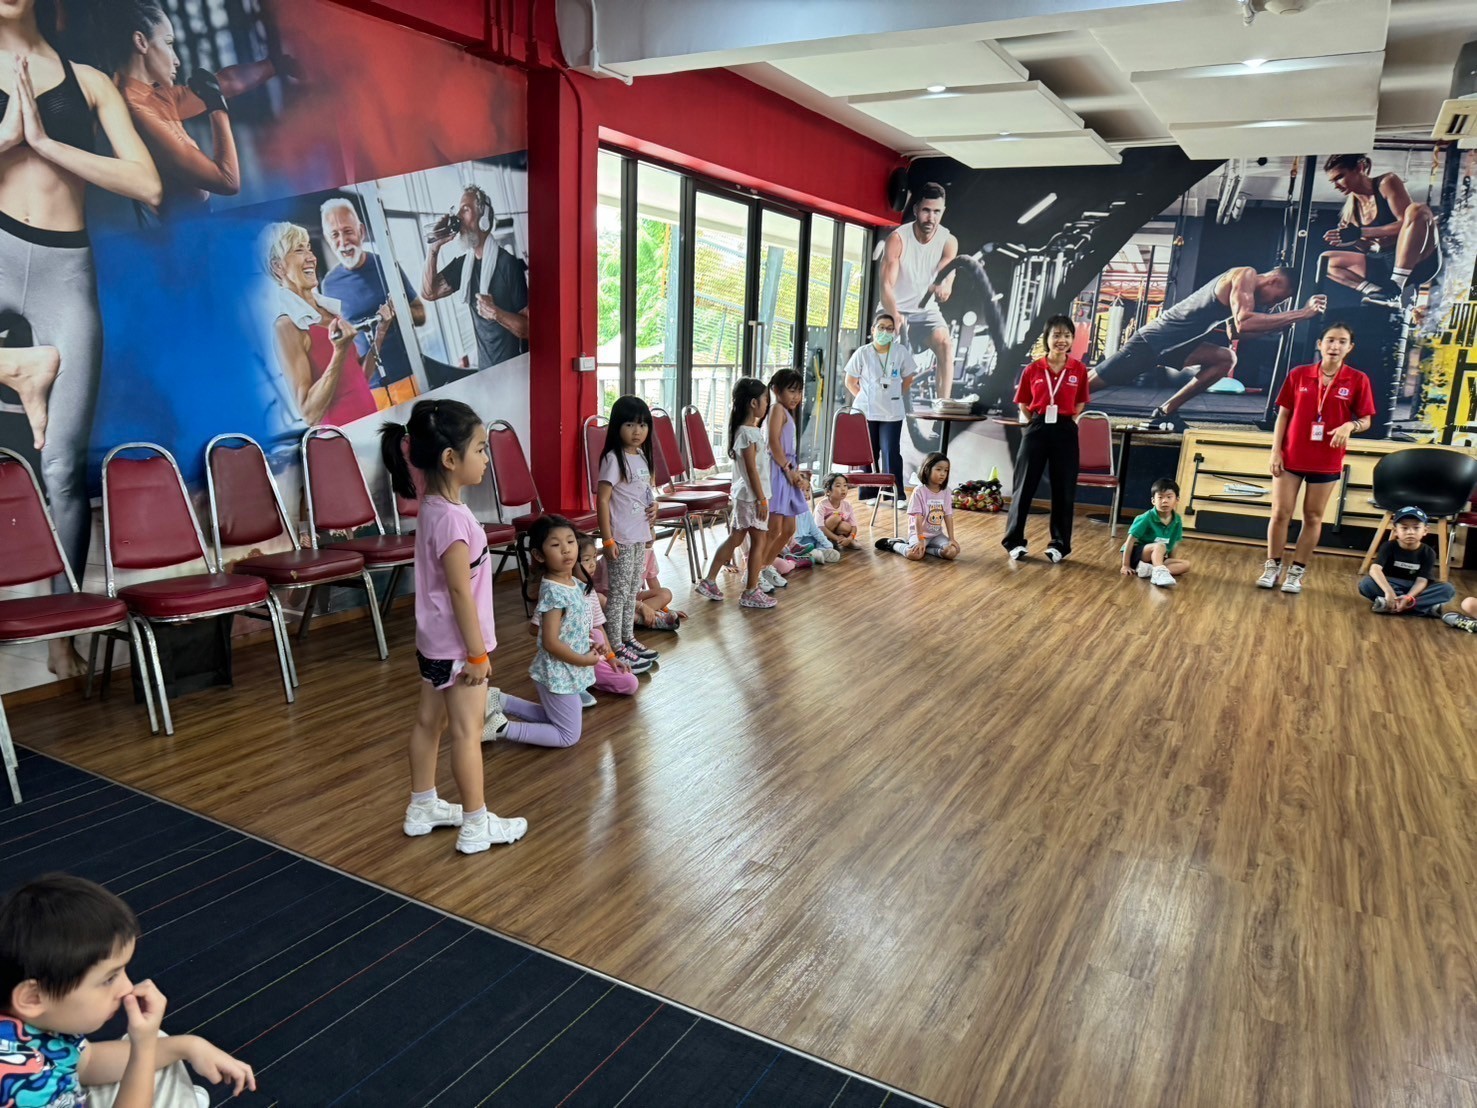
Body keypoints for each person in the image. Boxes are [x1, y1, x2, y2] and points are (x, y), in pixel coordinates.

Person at [0, 0, 162, 678]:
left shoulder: (88, 81)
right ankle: (16, 366)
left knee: (63, 469)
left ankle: (62, 633)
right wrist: (8, 134)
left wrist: (47, 144)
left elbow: (148, 183)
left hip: (65, 270)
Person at [381, 399, 527, 854]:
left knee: (429, 723)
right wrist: (477, 653)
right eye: (480, 449)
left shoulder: (432, 507)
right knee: (467, 732)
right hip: (459, 649)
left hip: (434, 644)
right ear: (450, 458)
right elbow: (461, 592)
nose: (487, 458)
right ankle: (475, 824)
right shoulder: (453, 519)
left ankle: (422, 806)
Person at [0, 873, 255, 1107]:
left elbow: (87, 1063)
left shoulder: (42, 1019)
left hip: (66, 1092)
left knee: (160, 1045)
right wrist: (143, 1048)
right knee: (147, 1053)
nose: (126, 988)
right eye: (109, 979)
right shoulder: (21, 1083)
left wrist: (188, 1046)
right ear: (33, 998)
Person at [99, 1, 285, 220]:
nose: (176, 60)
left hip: (197, 222)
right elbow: (227, 181)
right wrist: (217, 109)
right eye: (168, 43)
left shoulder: (152, 97)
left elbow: (227, 81)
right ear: (141, 42)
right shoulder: (137, 111)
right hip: (182, 230)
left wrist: (279, 64)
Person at [1087, 265, 1326, 431]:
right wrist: (1301, 313)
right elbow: (1244, 321)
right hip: (1156, 339)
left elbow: (1236, 332)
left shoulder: (1245, 294)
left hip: (1179, 345)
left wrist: (1280, 324)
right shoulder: (1246, 274)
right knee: (1093, 384)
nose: (1274, 304)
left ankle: (1166, 411)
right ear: (1274, 281)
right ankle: (1063, 401)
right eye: (1278, 298)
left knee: (1226, 358)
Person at [1257, 321, 1374, 593]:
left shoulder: (1358, 379)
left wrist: (1350, 425)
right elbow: (1283, 415)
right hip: (1291, 456)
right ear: (1320, 344)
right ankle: (1272, 566)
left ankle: (1296, 572)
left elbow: (1366, 420)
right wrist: (1275, 451)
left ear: (1350, 347)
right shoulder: (1299, 374)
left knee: (1313, 516)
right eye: (1330, 340)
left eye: (1342, 341)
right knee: (1280, 512)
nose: (1335, 346)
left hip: (1327, 459)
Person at [486, 515, 600, 747]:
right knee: (568, 736)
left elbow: (570, 628)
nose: (566, 549)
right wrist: (582, 660)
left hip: (567, 670)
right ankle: (500, 728)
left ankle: (498, 700)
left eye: (571, 541)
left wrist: (588, 644)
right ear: (539, 555)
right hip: (558, 673)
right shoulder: (555, 592)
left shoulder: (573, 583)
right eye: (556, 545)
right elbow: (550, 641)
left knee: (557, 719)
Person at [263, 221, 374, 427]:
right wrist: (339, 352)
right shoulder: (286, 326)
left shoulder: (330, 312)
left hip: (372, 420)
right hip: (342, 437)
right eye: (299, 250)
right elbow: (309, 413)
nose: (311, 258)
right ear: (278, 266)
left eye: (309, 248)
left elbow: (359, 378)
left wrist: (381, 332)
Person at [320, 197, 427, 410]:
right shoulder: (328, 285)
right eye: (335, 235)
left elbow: (420, 315)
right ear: (327, 239)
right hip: (368, 388)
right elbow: (339, 346)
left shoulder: (386, 265)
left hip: (410, 374)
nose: (343, 241)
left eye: (348, 231)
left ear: (361, 231)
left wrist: (398, 311)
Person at [1002, 315, 1092, 563]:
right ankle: (1014, 542)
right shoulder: (1033, 369)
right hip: (1037, 427)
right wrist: (1036, 420)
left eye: (1067, 335)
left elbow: (1081, 402)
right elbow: (1023, 402)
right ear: (1047, 338)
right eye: (1056, 335)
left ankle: (1059, 545)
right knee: (1024, 486)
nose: (1062, 340)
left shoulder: (1079, 370)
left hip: (1065, 430)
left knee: (1064, 489)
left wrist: (1067, 420)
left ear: (1072, 339)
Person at [421, 185, 528, 369]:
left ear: (483, 218)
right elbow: (429, 293)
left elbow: (529, 329)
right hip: (485, 370)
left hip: (513, 369)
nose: (458, 217)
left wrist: (496, 313)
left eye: (465, 209)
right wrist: (434, 248)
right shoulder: (464, 265)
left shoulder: (508, 264)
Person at [1321, 154, 1441, 311]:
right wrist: (1354, 240)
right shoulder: (1351, 212)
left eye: (1340, 177)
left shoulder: (1386, 182)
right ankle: (1381, 293)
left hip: (1419, 260)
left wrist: (1361, 232)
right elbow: (1372, 248)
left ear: (1359, 168)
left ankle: (1397, 285)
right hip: (1385, 265)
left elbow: (1406, 223)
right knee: (1326, 260)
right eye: (1333, 181)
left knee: (1418, 210)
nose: (1336, 185)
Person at [694, 377, 773, 608]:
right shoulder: (748, 434)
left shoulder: (746, 431)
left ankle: (710, 580)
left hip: (747, 495)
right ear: (753, 403)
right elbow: (751, 470)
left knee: (737, 538)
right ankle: (751, 590)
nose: (767, 405)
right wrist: (761, 499)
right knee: (758, 540)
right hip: (751, 497)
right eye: (765, 400)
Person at [596, 394, 661, 668]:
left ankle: (627, 638)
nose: (637, 431)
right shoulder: (613, 458)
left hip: (639, 535)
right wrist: (607, 539)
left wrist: (654, 507)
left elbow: (644, 492)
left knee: (632, 590)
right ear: (617, 427)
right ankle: (615, 646)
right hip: (621, 537)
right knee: (619, 594)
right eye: (630, 425)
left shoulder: (642, 457)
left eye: (643, 425)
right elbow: (602, 500)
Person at [878, 183, 959, 399]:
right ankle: (880, 402)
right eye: (926, 210)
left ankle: (942, 407)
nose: (931, 218)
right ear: (916, 210)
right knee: (886, 356)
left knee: (945, 344)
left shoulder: (948, 241)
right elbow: (886, 286)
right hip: (893, 307)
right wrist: (895, 315)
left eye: (936, 212)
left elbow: (947, 271)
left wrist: (946, 284)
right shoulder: (898, 239)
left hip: (925, 311)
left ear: (943, 211)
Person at [843, 311, 917, 501]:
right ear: (873, 330)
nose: (885, 332)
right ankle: (869, 494)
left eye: (890, 329)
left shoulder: (900, 351)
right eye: (881, 327)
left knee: (891, 452)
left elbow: (908, 378)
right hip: (867, 412)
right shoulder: (863, 352)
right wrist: (865, 397)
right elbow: (850, 381)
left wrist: (897, 395)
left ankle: (895, 495)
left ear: (894, 332)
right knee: (869, 454)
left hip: (892, 413)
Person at [1359, 506, 1455, 616]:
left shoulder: (1429, 552)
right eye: (1404, 528)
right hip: (1391, 584)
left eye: (1416, 528)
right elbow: (1375, 569)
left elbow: (1422, 580)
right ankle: (1422, 608)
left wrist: (1409, 597)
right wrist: (1389, 591)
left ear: (1425, 531)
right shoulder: (1388, 546)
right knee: (1366, 583)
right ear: (1395, 531)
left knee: (1447, 589)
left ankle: (1390, 605)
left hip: (1414, 588)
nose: (1410, 532)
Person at [761, 369, 809, 591]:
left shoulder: (787, 412)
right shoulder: (777, 409)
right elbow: (772, 443)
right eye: (791, 391)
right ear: (776, 390)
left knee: (788, 529)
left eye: (799, 391)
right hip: (778, 471)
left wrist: (795, 472)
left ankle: (765, 566)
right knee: (774, 529)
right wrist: (787, 469)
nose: (796, 396)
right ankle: (755, 572)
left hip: (787, 470)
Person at [877, 451, 959, 560]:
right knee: (914, 555)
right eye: (939, 469)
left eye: (946, 470)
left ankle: (926, 549)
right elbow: (917, 518)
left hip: (936, 535)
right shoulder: (919, 491)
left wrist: (951, 539)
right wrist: (920, 540)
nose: (943, 473)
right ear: (927, 469)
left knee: (952, 552)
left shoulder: (946, 491)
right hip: (918, 534)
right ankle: (894, 544)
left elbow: (948, 516)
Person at [1119, 477, 1190, 588]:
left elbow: (1174, 543)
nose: (1164, 501)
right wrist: (1125, 565)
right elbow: (1130, 541)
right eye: (1160, 497)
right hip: (1136, 554)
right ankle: (1158, 572)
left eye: (1169, 497)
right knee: (1160, 546)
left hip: (1155, 557)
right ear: (1153, 501)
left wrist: (1171, 560)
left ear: (1177, 499)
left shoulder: (1177, 520)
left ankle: (1150, 570)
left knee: (1186, 565)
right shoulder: (1146, 518)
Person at [817, 473, 859, 549]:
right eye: (838, 486)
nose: (843, 489)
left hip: (836, 533)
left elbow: (854, 526)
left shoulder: (847, 505)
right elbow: (820, 527)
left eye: (845, 485)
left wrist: (850, 538)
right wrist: (837, 538)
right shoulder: (822, 505)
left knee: (846, 527)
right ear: (828, 491)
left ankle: (843, 541)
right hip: (821, 533)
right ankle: (828, 541)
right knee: (836, 517)